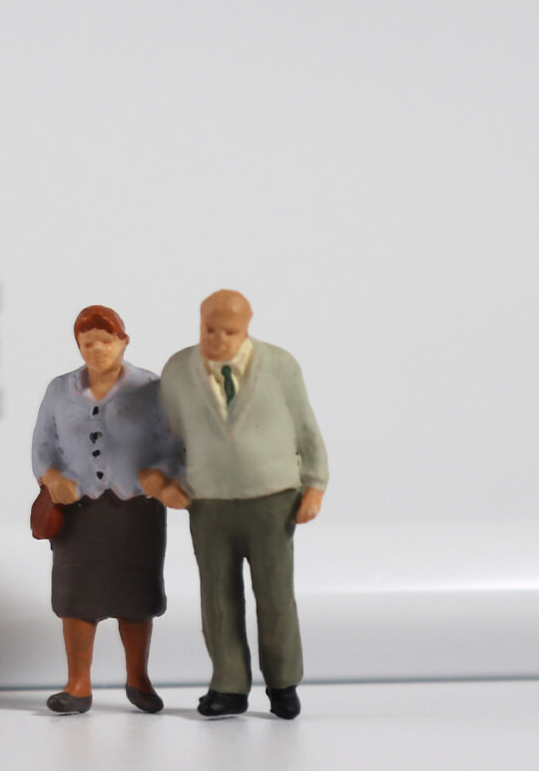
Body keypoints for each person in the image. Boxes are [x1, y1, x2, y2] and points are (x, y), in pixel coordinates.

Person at [141, 290, 328, 720]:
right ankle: (228, 684)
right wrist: (164, 480)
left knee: (275, 594)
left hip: (273, 496)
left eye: (231, 331)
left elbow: (306, 427)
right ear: (200, 323)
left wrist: (314, 484)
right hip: (208, 501)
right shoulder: (178, 369)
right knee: (218, 597)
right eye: (211, 329)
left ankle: (283, 683)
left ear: (247, 328)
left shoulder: (280, 365)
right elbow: (169, 437)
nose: (220, 339)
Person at [31, 305, 183, 715]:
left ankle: (139, 677)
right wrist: (51, 478)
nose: (96, 349)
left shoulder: (152, 388)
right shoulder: (59, 390)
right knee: (76, 598)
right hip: (79, 511)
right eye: (87, 343)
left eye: (105, 340)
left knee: (136, 597)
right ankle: (78, 684)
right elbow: (43, 445)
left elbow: (175, 446)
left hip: (136, 510)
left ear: (124, 341)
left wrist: (162, 476)